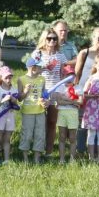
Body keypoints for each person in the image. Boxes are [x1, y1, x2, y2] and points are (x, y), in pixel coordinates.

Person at [31, 28, 67, 156]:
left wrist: (63, 88)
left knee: (52, 122)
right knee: (39, 122)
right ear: (44, 39)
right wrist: (44, 67)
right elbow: (31, 73)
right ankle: (37, 150)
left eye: (54, 38)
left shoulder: (60, 55)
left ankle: (49, 152)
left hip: (55, 90)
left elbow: (62, 74)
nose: (52, 41)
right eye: (49, 38)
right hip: (40, 90)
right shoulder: (38, 54)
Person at [18, 57, 47, 163]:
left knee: (40, 134)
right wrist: (25, 91)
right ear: (33, 68)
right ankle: (25, 157)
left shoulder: (42, 79)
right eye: (40, 67)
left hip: (40, 111)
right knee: (27, 134)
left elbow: (44, 94)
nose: (42, 68)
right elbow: (20, 98)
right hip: (27, 112)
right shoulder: (21, 79)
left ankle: (36, 158)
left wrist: (45, 101)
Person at [0, 66, 19, 165]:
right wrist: (3, 100)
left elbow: (16, 105)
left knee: (7, 138)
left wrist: (14, 100)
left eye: (10, 77)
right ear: (1, 78)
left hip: (10, 116)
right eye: (6, 77)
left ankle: (6, 160)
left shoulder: (14, 90)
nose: (8, 79)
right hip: (0, 116)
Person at [53, 63, 80, 164]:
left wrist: (66, 99)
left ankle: (72, 159)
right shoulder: (60, 88)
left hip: (73, 114)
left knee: (73, 137)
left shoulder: (78, 88)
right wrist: (72, 102)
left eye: (71, 76)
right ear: (63, 76)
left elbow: (80, 102)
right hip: (62, 113)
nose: (69, 78)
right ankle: (61, 159)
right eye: (67, 75)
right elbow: (59, 102)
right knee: (62, 136)